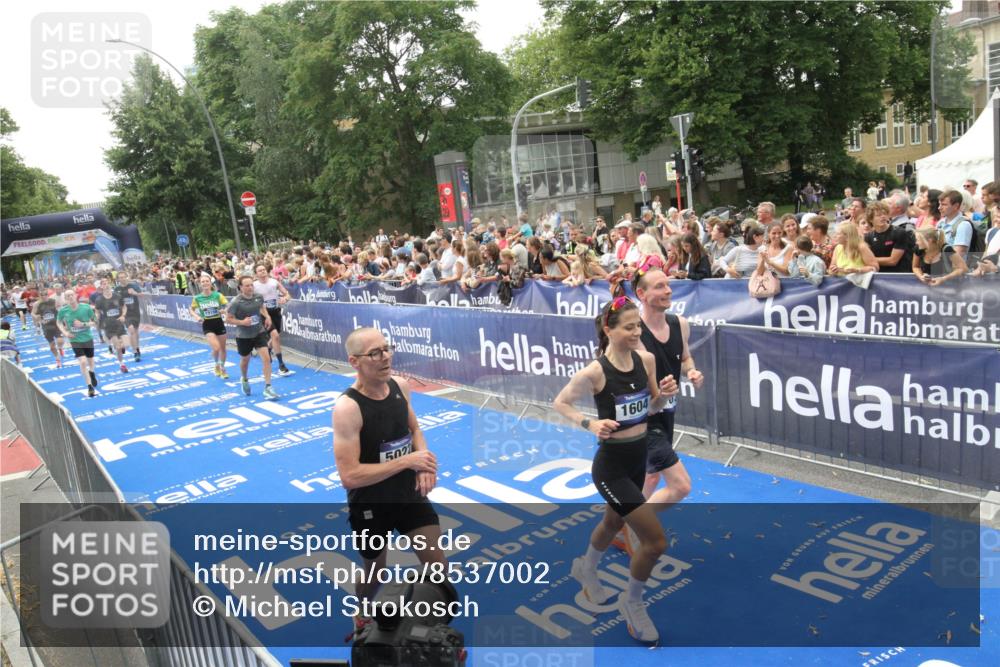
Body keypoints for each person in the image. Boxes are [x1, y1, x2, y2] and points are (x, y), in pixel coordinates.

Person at [553, 296, 674, 643]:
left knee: (612, 523)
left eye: (639, 326)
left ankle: (585, 567)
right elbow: (561, 402)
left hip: (638, 459)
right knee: (655, 541)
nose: (637, 333)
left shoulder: (646, 360)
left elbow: (652, 408)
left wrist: (665, 395)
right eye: (629, 327)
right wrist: (589, 423)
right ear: (609, 330)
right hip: (611, 468)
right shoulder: (594, 372)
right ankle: (632, 603)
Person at [332, 327, 444, 634]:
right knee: (375, 574)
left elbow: (415, 430)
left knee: (437, 568)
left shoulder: (400, 386)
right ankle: (362, 610)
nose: (385, 357)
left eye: (387, 348)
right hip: (372, 504)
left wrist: (424, 464)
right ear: (354, 361)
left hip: (408, 494)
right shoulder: (348, 408)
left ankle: (424, 631)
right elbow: (349, 476)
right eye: (375, 353)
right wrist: (408, 461)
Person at [631, 266, 702, 543]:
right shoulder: (634, 333)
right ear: (642, 294)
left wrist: (691, 371)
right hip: (642, 418)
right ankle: (632, 524)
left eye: (668, 285)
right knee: (681, 486)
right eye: (659, 286)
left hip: (666, 413)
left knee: (651, 477)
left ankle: (619, 524)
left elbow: (685, 357)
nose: (668, 290)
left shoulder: (679, 324)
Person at [225, 276, 278, 399]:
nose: (250, 288)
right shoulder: (236, 302)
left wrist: (267, 317)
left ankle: (268, 387)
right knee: (245, 360)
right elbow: (228, 319)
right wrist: (242, 322)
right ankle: (244, 378)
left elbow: (261, 307)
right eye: (247, 286)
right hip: (243, 336)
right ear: (240, 287)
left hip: (259, 332)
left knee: (266, 358)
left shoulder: (258, 296)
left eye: (251, 285)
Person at [57, 289, 99, 397]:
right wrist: (65, 333)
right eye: (68, 296)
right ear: (65, 299)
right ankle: (89, 386)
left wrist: (83, 324)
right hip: (75, 340)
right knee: (83, 362)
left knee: (90, 360)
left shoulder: (86, 307)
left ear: (76, 296)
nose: (70, 297)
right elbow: (59, 322)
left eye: (72, 295)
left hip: (87, 338)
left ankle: (92, 372)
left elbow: (95, 322)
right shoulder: (63, 311)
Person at [254, 263, 292, 375]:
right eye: (260, 270)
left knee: (275, 336)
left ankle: (267, 348)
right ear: (256, 274)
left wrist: (285, 299)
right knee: (275, 336)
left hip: (275, 311)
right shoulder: (254, 285)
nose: (263, 271)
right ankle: (281, 364)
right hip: (264, 314)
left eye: (264, 269)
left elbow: (287, 294)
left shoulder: (274, 282)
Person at [191, 274, 230, 378]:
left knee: (223, 348)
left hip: (218, 322)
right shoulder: (197, 298)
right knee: (216, 348)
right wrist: (197, 316)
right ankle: (216, 364)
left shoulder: (218, 295)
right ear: (200, 284)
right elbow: (191, 309)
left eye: (207, 281)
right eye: (202, 282)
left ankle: (222, 367)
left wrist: (224, 310)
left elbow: (228, 305)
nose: (205, 283)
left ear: (210, 283)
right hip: (207, 324)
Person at [93, 279, 130, 373]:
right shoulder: (99, 299)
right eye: (103, 284)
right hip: (109, 325)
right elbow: (97, 311)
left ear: (109, 284)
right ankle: (122, 364)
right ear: (101, 287)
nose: (105, 285)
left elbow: (124, 307)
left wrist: (123, 315)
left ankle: (121, 347)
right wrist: (96, 318)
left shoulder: (117, 296)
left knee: (126, 344)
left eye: (106, 283)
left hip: (119, 323)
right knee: (117, 347)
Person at [865, 201, 911, 273]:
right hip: (878, 274)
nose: (883, 216)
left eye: (884, 214)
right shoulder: (868, 237)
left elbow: (893, 261)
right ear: (871, 219)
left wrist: (869, 260)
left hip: (899, 274)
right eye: (878, 215)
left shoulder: (899, 232)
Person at [115, 272, 143, 361]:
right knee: (131, 330)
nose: (122, 279)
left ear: (126, 277)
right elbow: (114, 301)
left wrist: (135, 293)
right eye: (120, 277)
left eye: (124, 277)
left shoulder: (133, 285)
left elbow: (142, 295)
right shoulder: (117, 289)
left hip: (135, 312)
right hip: (125, 313)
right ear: (118, 279)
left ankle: (137, 348)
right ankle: (135, 352)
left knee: (136, 332)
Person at [33, 293, 65, 367]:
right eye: (42, 295)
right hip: (46, 327)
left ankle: (60, 348)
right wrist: (36, 317)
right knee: (52, 346)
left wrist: (63, 322)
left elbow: (60, 309)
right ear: (40, 296)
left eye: (45, 294)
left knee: (60, 341)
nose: (44, 296)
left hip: (56, 325)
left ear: (47, 295)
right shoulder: (37, 304)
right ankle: (57, 359)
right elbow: (33, 313)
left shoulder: (53, 301)